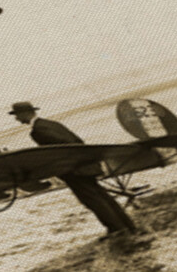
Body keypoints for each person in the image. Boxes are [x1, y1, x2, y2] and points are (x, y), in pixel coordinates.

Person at [9, 101, 136, 235]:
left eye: (17, 115)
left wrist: (59, 168)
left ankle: (117, 229)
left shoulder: (38, 131)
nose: (16, 119)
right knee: (102, 196)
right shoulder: (51, 124)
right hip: (85, 166)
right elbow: (76, 143)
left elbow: (63, 149)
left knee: (93, 200)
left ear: (25, 113)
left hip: (74, 171)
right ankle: (127, 225)